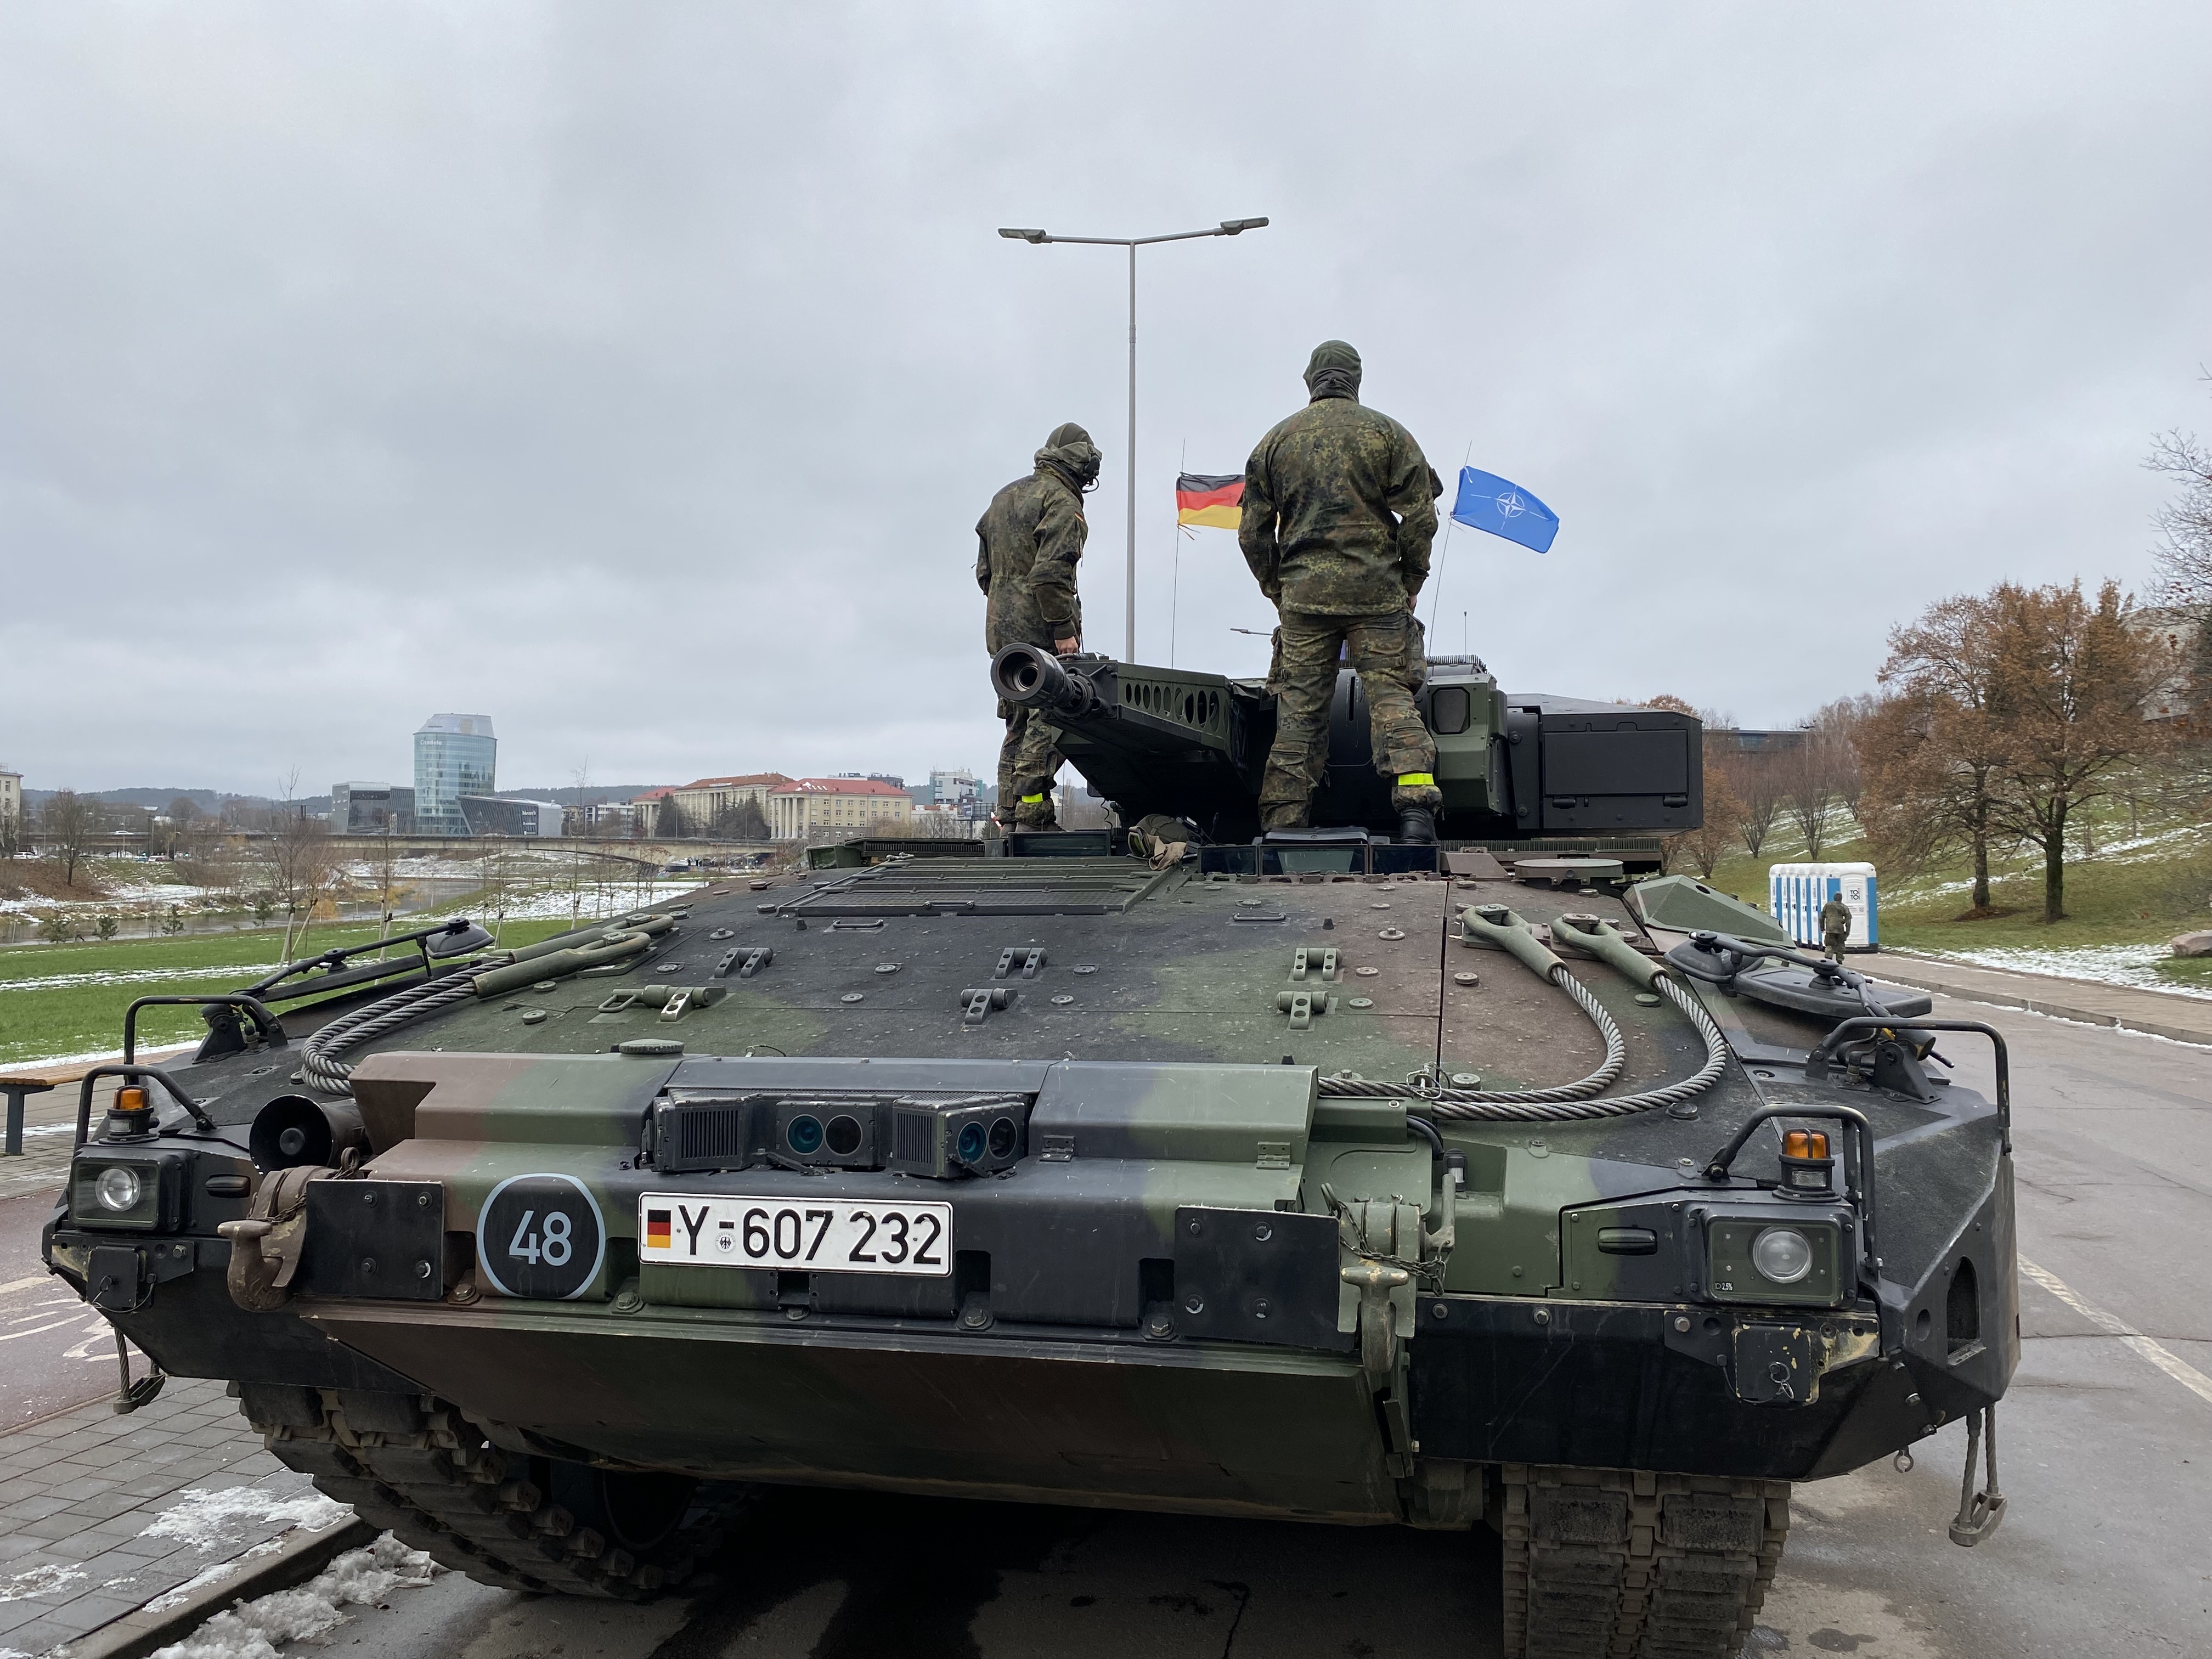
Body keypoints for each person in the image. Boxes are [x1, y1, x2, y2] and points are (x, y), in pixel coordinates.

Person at [1238, 341, 1442, 842]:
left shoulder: (1274, 443)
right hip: (1377, 597)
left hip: (1304, 601)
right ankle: (1416, 814)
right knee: (1393, 700)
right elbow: (1421, 517)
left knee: (1299, 715)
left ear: (1311, 381)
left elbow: (1252, 534)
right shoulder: (1388, 434)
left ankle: (1283, 828)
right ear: (1355, 380)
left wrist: (1277, 589)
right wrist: (1411, 580)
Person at [977, 422, 1101, 829]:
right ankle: (1033, 813)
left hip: (1002, 631)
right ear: (1083, 464)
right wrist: (1063, 630)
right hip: (1043, 630)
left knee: (1017, 723)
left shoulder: (1004, 497)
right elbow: (1051, 576)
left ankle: (1010, 816)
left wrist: (1007, 608)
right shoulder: (1061, 501)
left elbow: (984, 573)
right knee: (1052, 718)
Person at [1819, 893, 1854, 961]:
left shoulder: (1827, 906)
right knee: (1840, 946)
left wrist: (1822, 928)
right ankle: (1839, 960)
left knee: (1829, 945)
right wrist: (1847, 932)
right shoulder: (1844, 907)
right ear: (1841, 899)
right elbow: (1848, 921)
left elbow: (1821, 918)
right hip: (1840, 930)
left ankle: (1829, 959)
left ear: (1834, 898)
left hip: (1830, 930)